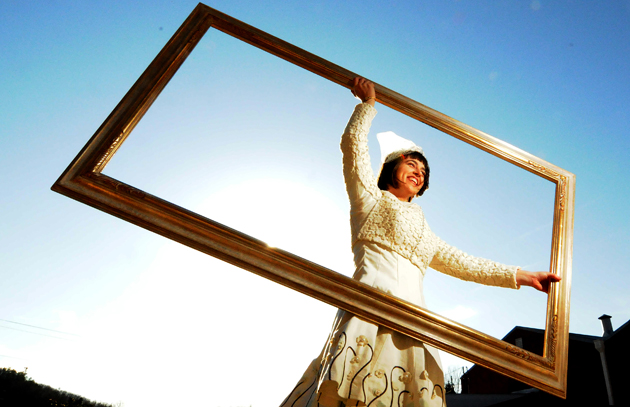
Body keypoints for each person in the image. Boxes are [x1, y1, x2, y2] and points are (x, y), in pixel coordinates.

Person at [280, 77, 561, 407]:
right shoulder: (369, 200)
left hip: (416, 324)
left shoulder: (424, 228)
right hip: (370, 311)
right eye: (411, 163)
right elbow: (353, 147)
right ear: (391, 168)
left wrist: (525, 277)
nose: (419, 172)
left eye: (423, 170)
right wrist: (367, 106)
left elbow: (465, 263)